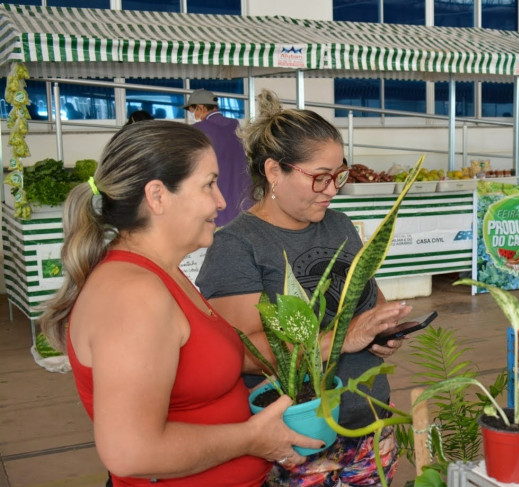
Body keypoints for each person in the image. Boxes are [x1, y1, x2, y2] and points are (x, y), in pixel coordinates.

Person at [38, 121, 322, 487]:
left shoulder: (162, 274)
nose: (221, 201)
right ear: (157, 196)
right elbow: (130, 452)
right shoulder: (133, 295)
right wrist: (253, 438)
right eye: (209, 184)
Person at [195, 90, 411, 486]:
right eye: (320, 177)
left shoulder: (340, 224)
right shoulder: (238, 245)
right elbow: (242, 355)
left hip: (369, 426)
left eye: (339, 176)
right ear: (275, 171)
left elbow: (368, 306)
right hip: (295, 445)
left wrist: (382, 329)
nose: (332, 189)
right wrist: (344, 337)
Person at [183, 88, 252, 227]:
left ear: (200, 107)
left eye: (193, 111)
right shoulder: (234, 124)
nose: (193, 115)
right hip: (241, 191)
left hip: (217, 192)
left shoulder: (199, 129)